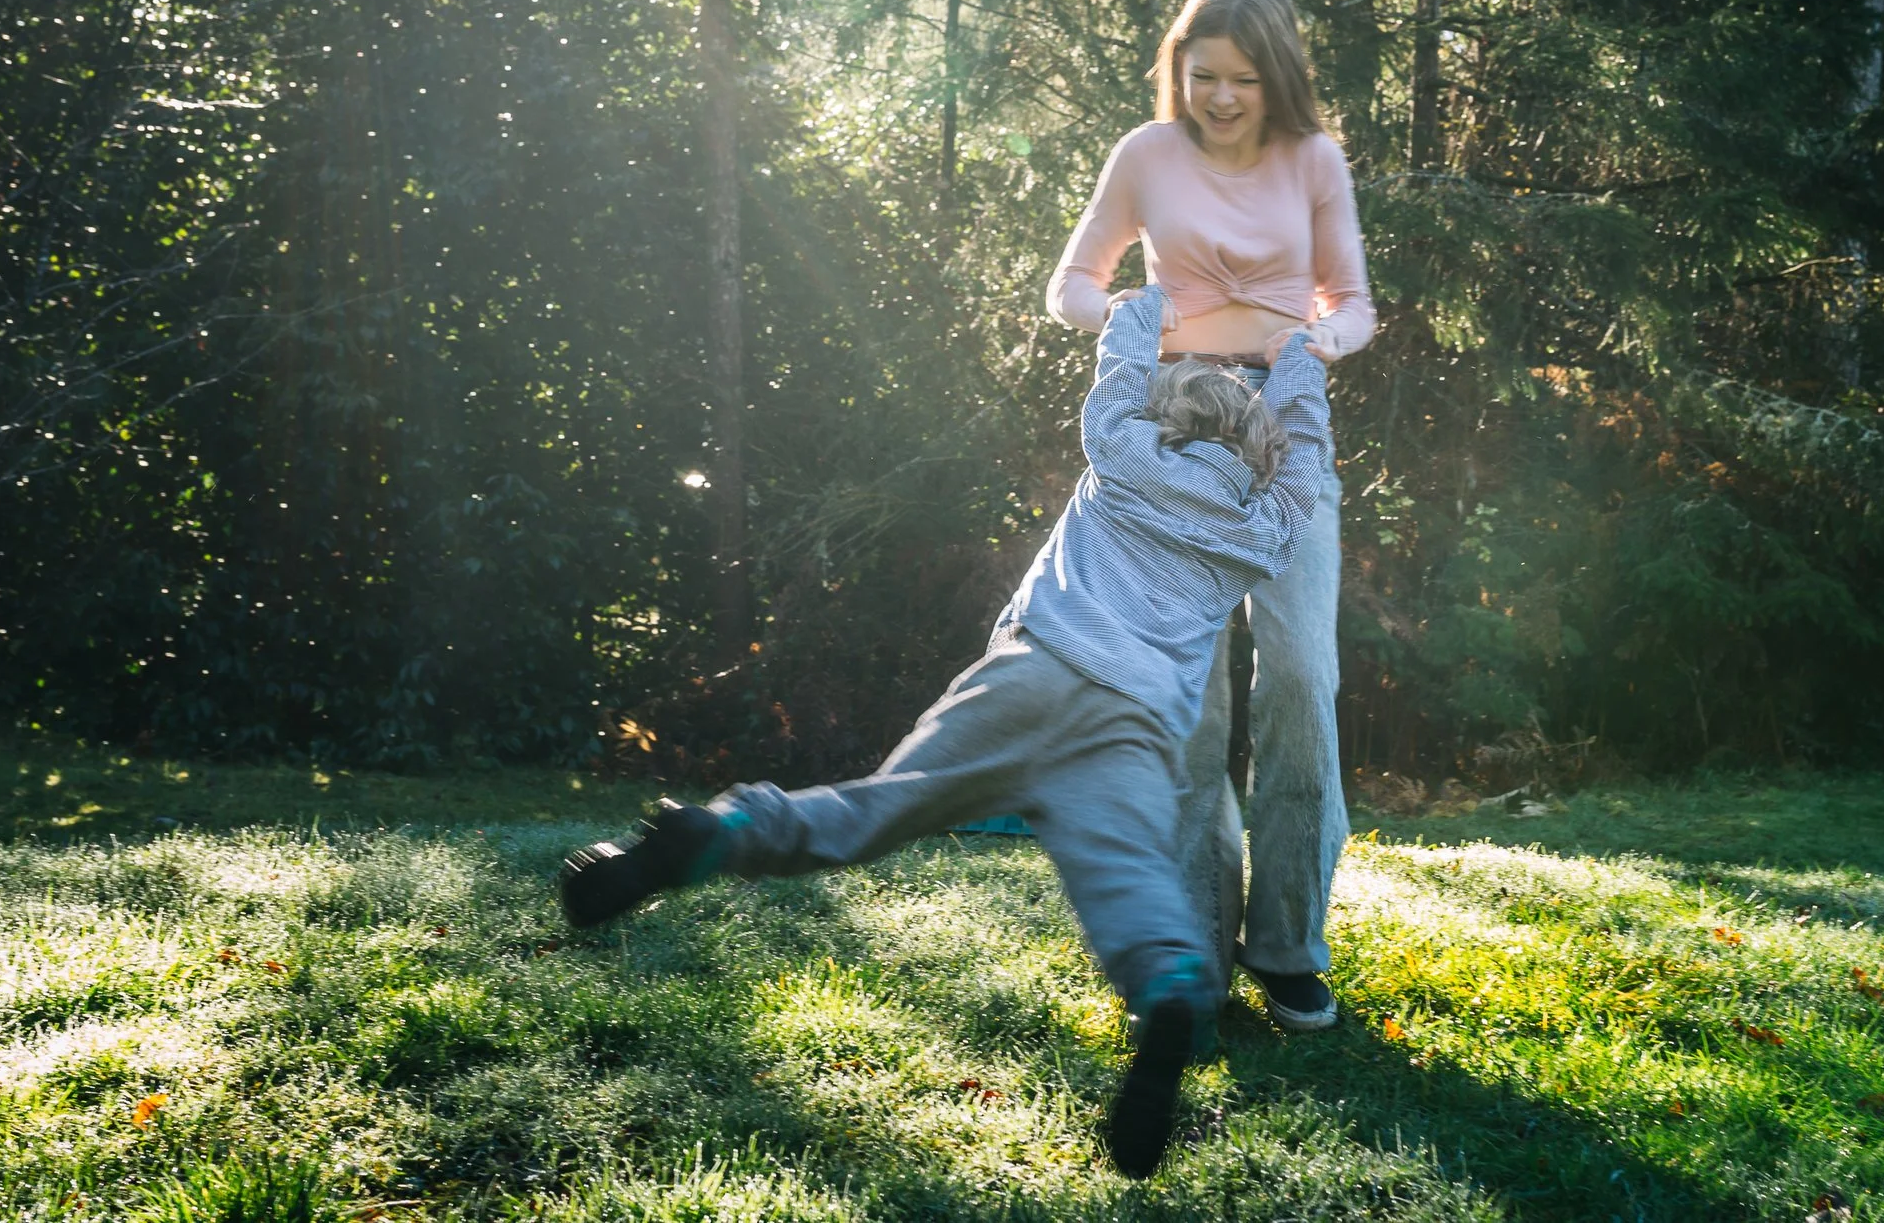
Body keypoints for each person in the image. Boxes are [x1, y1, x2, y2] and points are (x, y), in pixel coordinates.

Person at [555, 285, 1331, 1180]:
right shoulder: (1264, 526)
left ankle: (718, 834)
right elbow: (1304, 455)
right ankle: (1167, 988)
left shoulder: (1120, 453)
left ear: (1165, 417)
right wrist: (1298, 357)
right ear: (1256, 451)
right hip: (1132, 724)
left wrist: (1142, 304)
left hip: (1032, 673)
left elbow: (1116, 377)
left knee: (877, 809)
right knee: (1129, 882)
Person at [1046, 0, 1374, 1033]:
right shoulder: (1145, 154)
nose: (1221, 98)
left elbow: (1354, 300)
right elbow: (1071, 283)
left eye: (1241, 79)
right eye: (1202, 77)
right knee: (1186, 697)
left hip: (1283, 429)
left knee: (1301, 679)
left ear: (1276, 78)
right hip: (1169, 425)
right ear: (1176, 69)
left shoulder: (1314, 160)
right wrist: (1142, 332)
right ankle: (1189, 954)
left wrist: (1313, 345)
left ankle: (1287, 945)